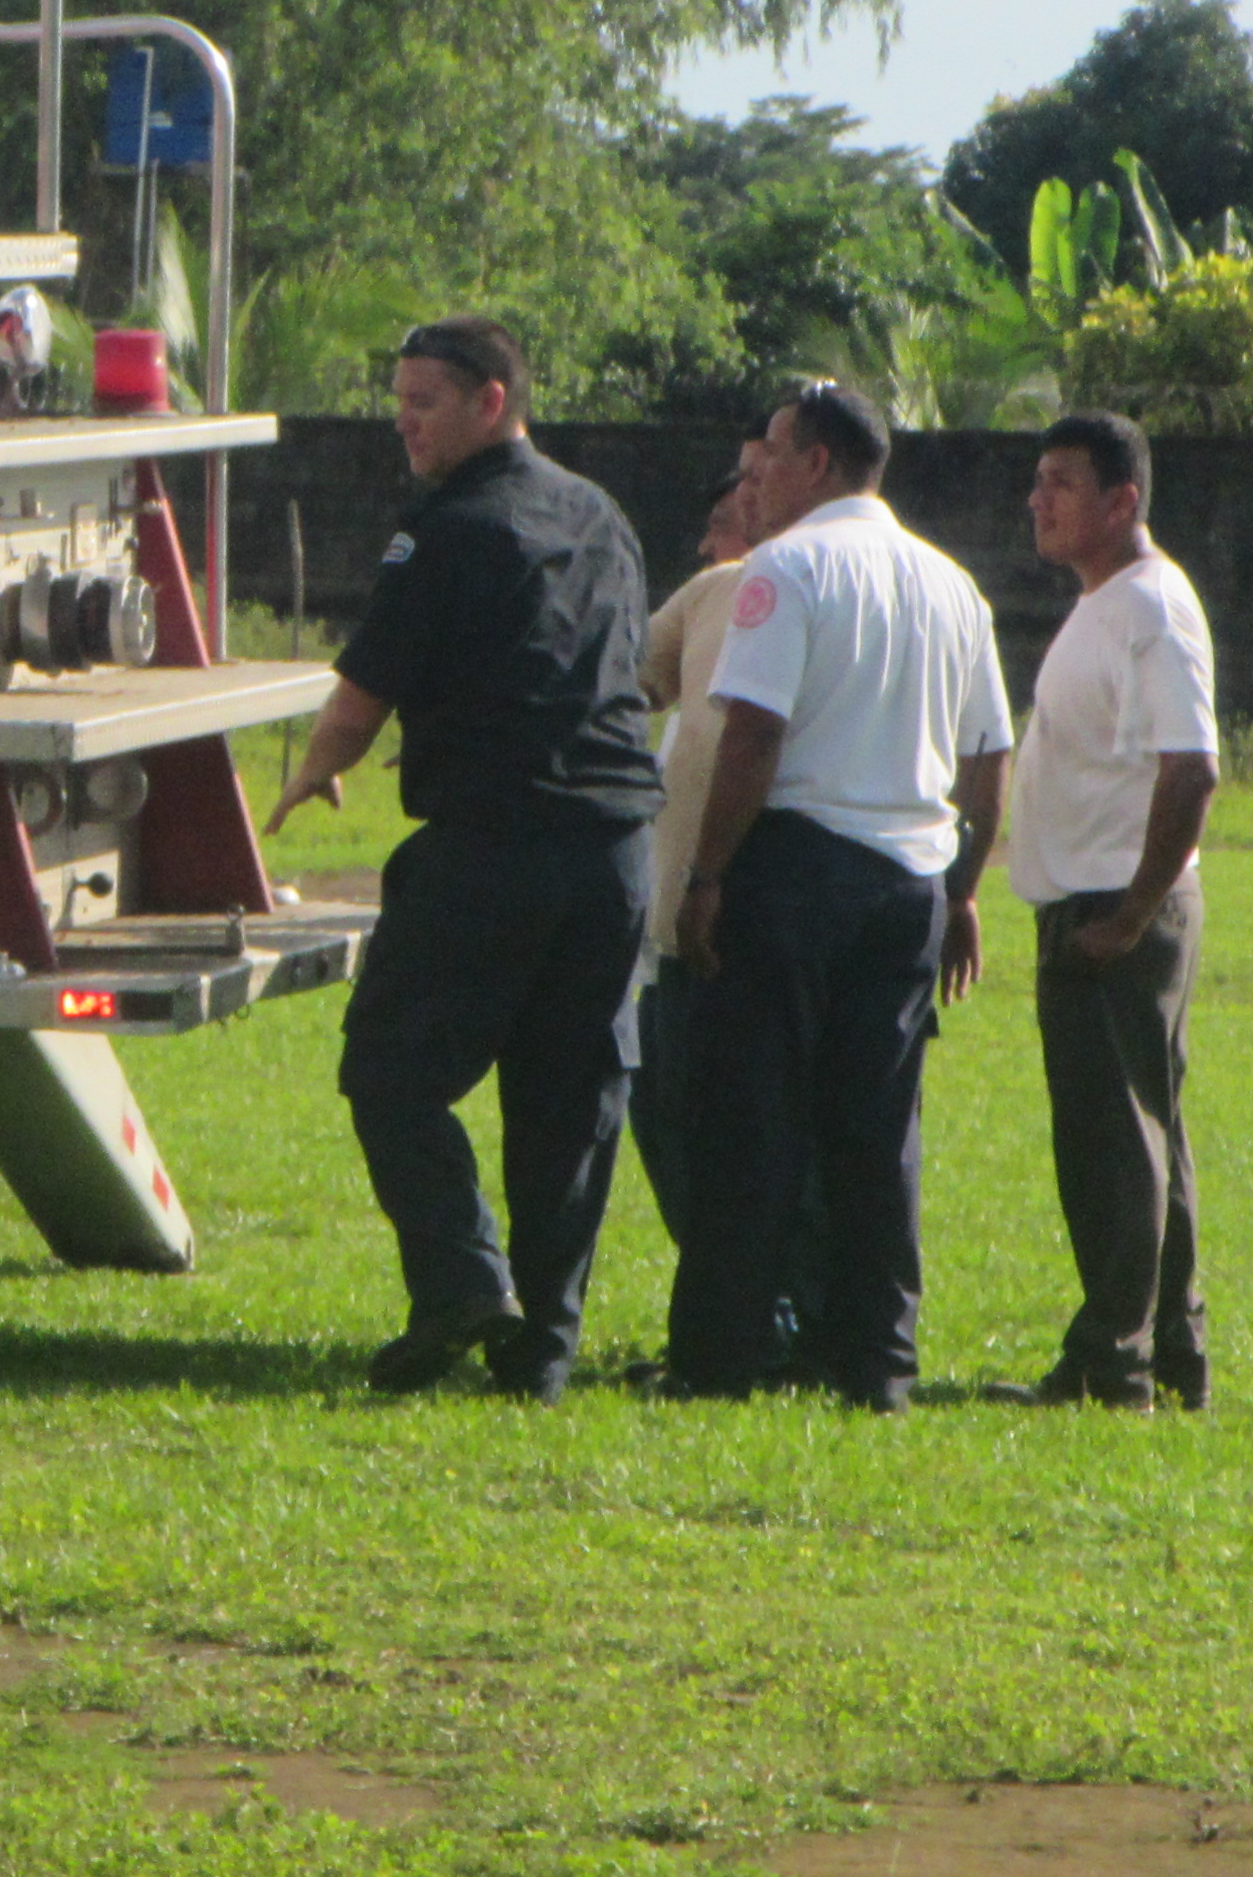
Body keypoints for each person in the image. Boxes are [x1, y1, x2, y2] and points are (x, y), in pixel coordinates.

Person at [269, 316, 660, 1403]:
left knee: (389, 1067)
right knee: (568, 1104)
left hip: (496, 839)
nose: (404, 423)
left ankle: (460, 1284)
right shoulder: (600, 515)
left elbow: (362, 693)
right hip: (615, 846)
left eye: (423, 402)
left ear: (492, 401)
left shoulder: (445, 528)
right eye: (397, 401)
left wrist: (312, 768)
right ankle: (540, 1355)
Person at [661, 383, 1011, 1412]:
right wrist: (962, 889)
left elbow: (752, 736)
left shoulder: (786, 568)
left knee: (750, 1121)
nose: (752, 473)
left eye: (769, 451)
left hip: (796, 869)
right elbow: (989, 760)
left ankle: (723, 1353)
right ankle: (874, 1361)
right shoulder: (953, 585)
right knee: (875, 1133)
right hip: (907, 879)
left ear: (817, 464)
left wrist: (707, 876)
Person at [993, 409, 1220, 1411]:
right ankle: (1167, 1351)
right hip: (1091, 897)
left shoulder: (1148, 607)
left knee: (1110, 1142)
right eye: (1036, 480)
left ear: (1121, 500)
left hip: (1113, 907)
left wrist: (1130, 913)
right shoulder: (1106, 601)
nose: (1037, 501)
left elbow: (1193, 766)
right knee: (1141, 1133)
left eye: (1061, 483)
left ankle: (1109, 1362)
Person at [625, 461, 760, 1245]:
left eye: (722, 524)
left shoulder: (753, 588)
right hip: (677, 921)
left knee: (707, 1114)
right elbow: (630, 680)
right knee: (666, 1102)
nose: (707, 545)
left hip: (731, 915)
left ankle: (761, 1306)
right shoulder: (711, 607)